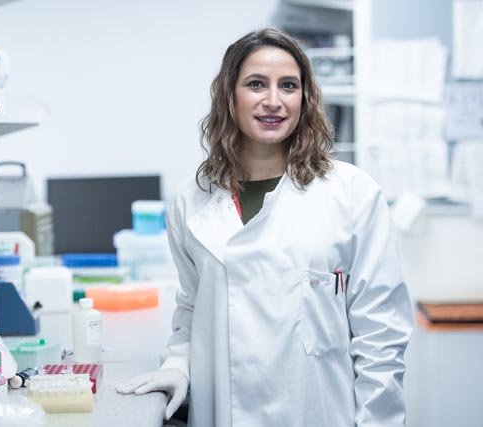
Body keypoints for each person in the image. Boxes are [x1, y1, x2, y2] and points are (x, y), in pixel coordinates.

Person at [116, 28, 414, 427]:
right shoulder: (193, 199)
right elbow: (191, 308)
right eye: (256, 84)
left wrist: (379, 422)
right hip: (225, 411)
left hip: (318, 411)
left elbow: (381, 333)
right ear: (229, 95)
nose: (273, 101)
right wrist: (178, 365)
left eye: (288, 86)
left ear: (304, 99)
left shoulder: (352, 193)